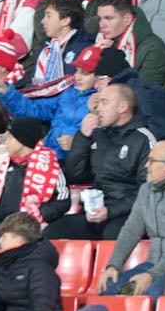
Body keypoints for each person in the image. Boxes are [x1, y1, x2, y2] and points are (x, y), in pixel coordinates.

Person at [46, 83, 156, 241]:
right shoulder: (98, 135)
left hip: (128, 214)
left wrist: (110, 211)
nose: (98, 108)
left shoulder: (144, 139)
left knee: (112, 235)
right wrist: (83, 137)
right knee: (53, 232)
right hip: (95, 212)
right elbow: (75, 176)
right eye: (98, 103)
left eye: (104, 102)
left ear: (122, 107)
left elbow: (148, 190)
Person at [98, 140, 165, 300]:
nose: (146, 165)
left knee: (149, 295)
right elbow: (131, 230)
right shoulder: (146, 190)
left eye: (152, 161)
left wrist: (152, 275)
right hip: (151, 264)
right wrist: (113, 265)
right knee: (109, 288)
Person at [92, 0, 165, 91]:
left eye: (109, 18)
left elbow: (147, 91)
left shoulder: (153, 47)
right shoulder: (102, 44)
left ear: (127, 19)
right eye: (100, 19)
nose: (102, 25)